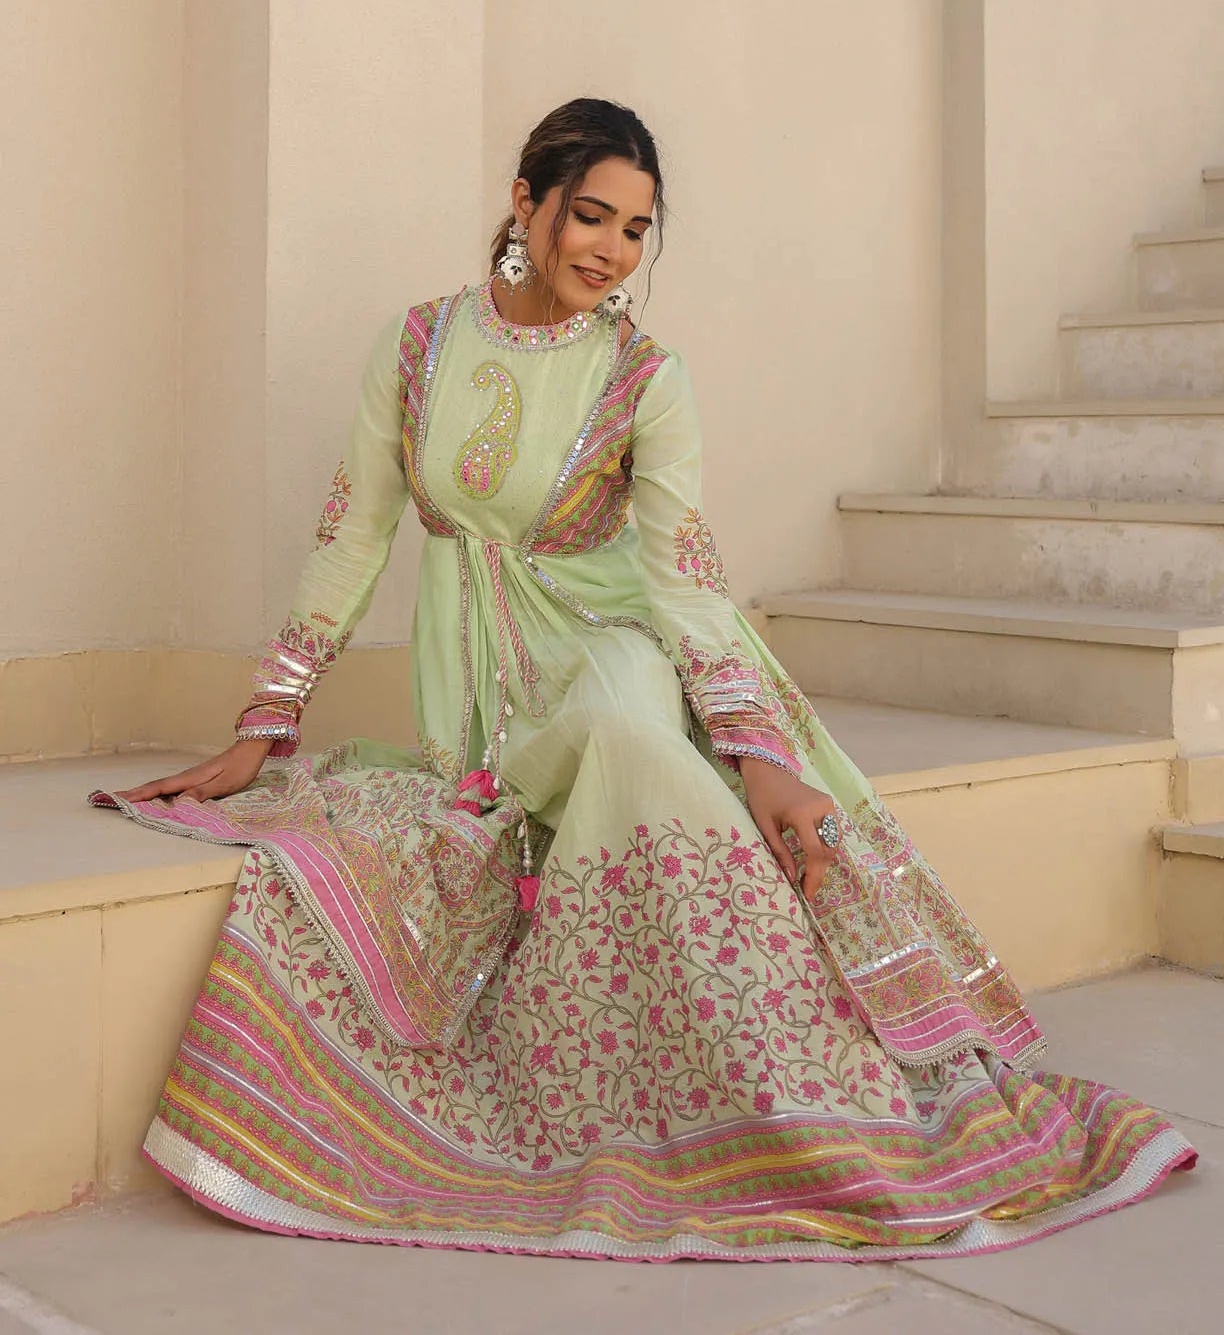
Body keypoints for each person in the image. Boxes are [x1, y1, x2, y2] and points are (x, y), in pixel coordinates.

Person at [93, 98, 1194, 1260]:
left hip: (615, 646)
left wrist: (766, 761)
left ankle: (800, 1106)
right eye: (591, 216)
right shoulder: (416, 348)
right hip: (479, 693)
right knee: (521, 794)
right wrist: (267, 722)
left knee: (630, 750)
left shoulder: (646, 377)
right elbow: (354, 537)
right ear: (527, 204)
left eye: (635, 230)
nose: (611, 251)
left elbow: (683, 584)